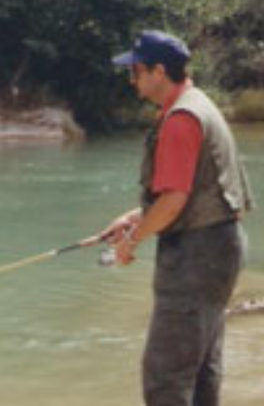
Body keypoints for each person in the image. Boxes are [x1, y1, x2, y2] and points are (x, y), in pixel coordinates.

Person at [98, 29, 253, 406]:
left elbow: (173, 202)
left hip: (197, 259)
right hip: (219, 248)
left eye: (135, 71)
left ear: (159, 72)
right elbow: (186, 191)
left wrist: (131, 242)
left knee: (165, 376)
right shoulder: (196, 104)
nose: (131, 79)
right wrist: (134, 218)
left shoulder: (182, 120)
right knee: (201, 369)